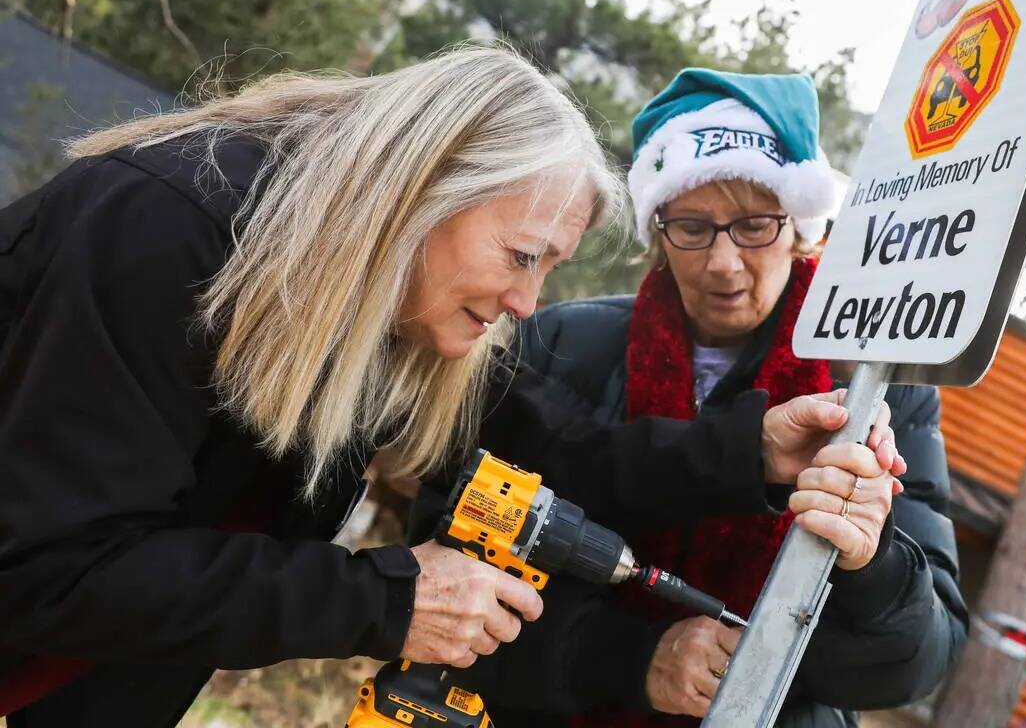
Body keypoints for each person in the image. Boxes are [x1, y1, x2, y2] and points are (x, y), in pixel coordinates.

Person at [0, 48, 900, 727]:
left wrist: (754, 450)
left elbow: (559, 449)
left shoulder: (403, 304)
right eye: (520, 256)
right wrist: (389, 598)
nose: (526, 302)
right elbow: (51, 566)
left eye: (548, 269)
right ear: (425, 191)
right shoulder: (164, 232)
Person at [413, 69, 969, 727]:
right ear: (658, 234)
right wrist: (633, 659)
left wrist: (871, 561)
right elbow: (443, 579)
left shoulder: (878, 390)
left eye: (755, 225)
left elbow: (917, 661)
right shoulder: (561, 345)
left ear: (801, 229)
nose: (724, 262)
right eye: (693, 228)